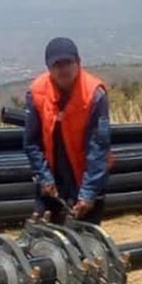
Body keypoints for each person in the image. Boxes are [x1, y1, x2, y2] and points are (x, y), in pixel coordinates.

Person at [24, 37, 110, 224]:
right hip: (52, 178)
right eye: (57, 65)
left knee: (85, 237)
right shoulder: (36, 93)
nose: (63, 69)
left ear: (78, 62)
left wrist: (88, 193)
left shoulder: (94, 94)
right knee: (43, 233)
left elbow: (98, 148)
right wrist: (45, 179)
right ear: (48, 68)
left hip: (85, 177)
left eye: (68, 63)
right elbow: (32, 143)